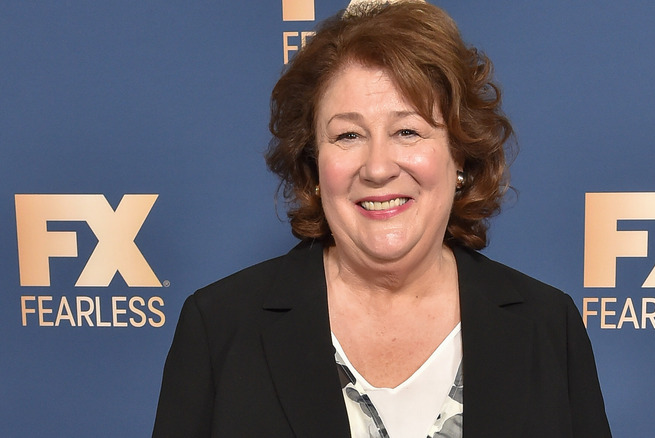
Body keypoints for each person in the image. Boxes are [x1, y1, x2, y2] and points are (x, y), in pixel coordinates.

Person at [152, 1, 612, 437]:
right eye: (348, 135)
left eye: (407, 131)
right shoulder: (220, 328)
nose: (377, 167)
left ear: (459, 156)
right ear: (313, 166)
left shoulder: (549, 327)